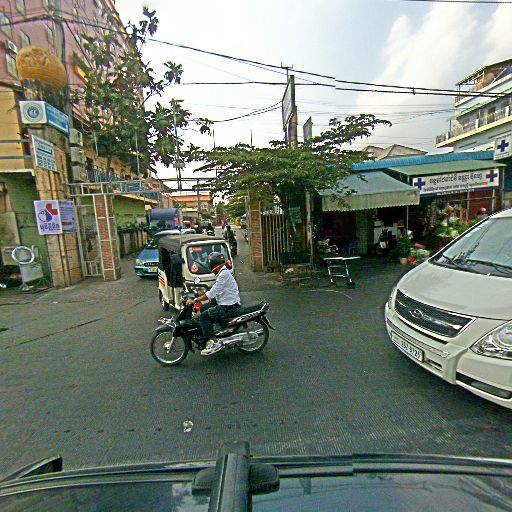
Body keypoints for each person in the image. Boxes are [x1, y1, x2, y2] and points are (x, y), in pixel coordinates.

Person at [186, 252, 241, 356]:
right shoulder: (223, 272)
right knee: (204, 308)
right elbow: (214, 289)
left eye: (210, 263)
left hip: (228, 306)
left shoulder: (223, 274)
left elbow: (210, 294)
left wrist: (195, 300)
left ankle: (214, 342)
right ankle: (214, 329)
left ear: (214, 264)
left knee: (203, 317)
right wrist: (197, 293)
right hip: (225, 302)